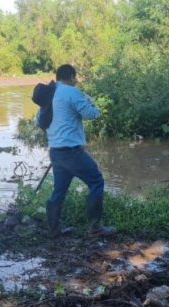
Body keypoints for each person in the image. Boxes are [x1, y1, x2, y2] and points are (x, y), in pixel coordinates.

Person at [37, 64, 116, 238]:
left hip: (56, 152)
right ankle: (95, 228)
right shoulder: (71, 92)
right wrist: (89, 100)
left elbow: (40, 122)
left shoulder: (48, 94)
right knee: (96, 181)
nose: (76, 81)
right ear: (71, 77)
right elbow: (92, 114)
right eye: (75, 78)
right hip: (72, 153)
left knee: (59, 191)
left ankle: (54, 230)